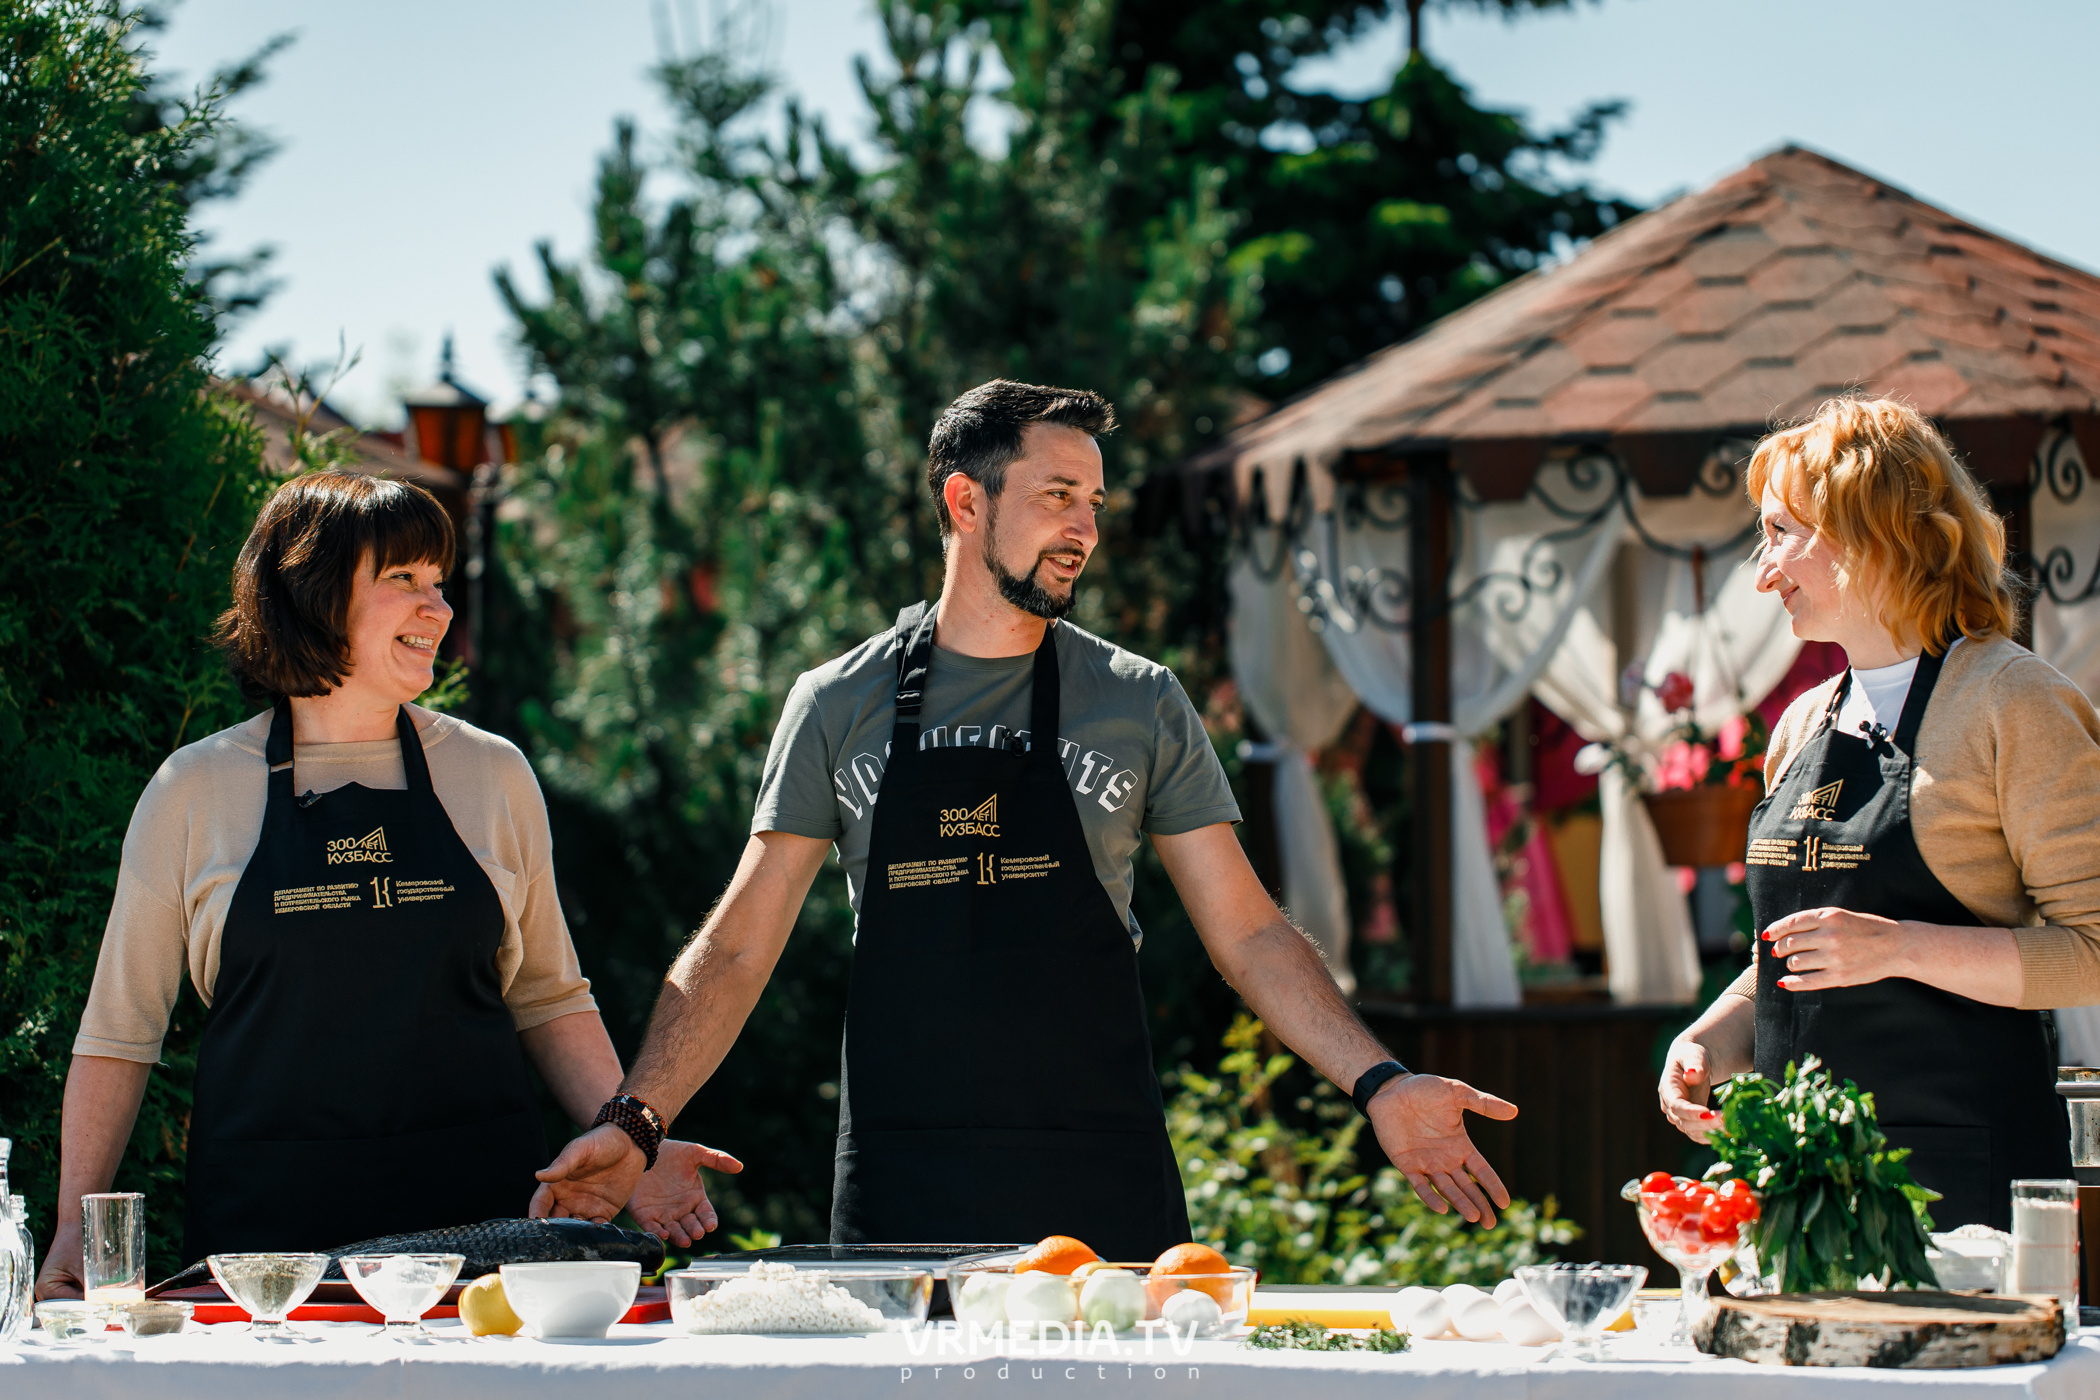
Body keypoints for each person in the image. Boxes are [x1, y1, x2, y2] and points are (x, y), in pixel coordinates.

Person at [529, 380, 1517, 1258]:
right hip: (902, 1181)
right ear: (966, 500)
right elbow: (740, 943)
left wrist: (1379, 1080)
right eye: (1057, 496)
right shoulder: (839, 702)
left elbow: (1251, 932)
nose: (1084, 526)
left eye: (1093, 502)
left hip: (1102, 1178)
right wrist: (636, 1117)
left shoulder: (1139, 699)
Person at [38, 471, 735, 1298]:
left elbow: (551, 996)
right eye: (402, 580)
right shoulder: (194, 791)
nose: (436, 608)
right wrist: (75, 1237)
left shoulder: (490, 773)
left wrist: (634, 1145)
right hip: (269, 1271)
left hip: (476, 1261)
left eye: (439, 583)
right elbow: (120, 1037)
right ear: (311, 594)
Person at [1658, 397, 2100, 1230]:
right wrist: (1710, 1041)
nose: (1763, 570)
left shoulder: (2016, 702)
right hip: (1802, 1185)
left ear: (1872, 531)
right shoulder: (1801, 722)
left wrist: (1902, 948)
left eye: (1782, 532)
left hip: (1963, 1198)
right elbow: (1796, 960)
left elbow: (2094, 951)